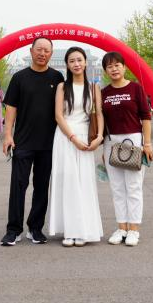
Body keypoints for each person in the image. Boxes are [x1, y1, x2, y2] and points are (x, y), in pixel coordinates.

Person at [0, 36, 64, 246]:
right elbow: (11, 108)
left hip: (48, 143)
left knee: (42, 187)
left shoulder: (58, 77)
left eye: (46, 50)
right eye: (39, 49)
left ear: (51, 54)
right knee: (18, 186)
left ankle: (35, 228)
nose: (42, 53)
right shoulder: (19, 78)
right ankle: (13, 230)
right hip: (23, 142)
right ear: (31, 51)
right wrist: (8, 135)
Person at [49, 47, 104, 247]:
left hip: (86, 138)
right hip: (65, 138)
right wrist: (73, 138)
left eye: (79, 60)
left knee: (84, 183)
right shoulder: (62, 87)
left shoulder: (94, 87)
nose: (76, 64)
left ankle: (84, 230)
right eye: (72, 61)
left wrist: (99, 137)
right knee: (68, 182)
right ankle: (70, 230)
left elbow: (99, 114)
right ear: (67, 65)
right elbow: (58, 116)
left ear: (86, 62)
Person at [100, 52, 153, 247]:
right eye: (109, 66)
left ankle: (134, 229)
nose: (114, 69)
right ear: (106, 71)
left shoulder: (135, 88)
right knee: (117, 188)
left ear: (124, 67)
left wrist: (147, 143)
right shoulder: (104, 93)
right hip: (111, 143)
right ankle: (121, 227)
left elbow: (146, 117)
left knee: (133, 187)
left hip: (133, 141)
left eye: (117, 65)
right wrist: (103, 149)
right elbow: (101, 121)